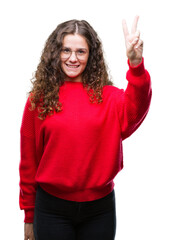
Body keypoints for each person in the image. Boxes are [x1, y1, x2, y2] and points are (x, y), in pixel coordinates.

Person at [19, 16, 152, 240]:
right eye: (65, 50)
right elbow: (28, 162)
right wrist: (29, 217)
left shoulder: (109, 97)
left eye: (81, 51)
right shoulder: (39, 100)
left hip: (99, 211)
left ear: (91, 56)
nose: (73, 58)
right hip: (51, 210)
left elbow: (136, 109)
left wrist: (136, 65)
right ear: (55, 53)